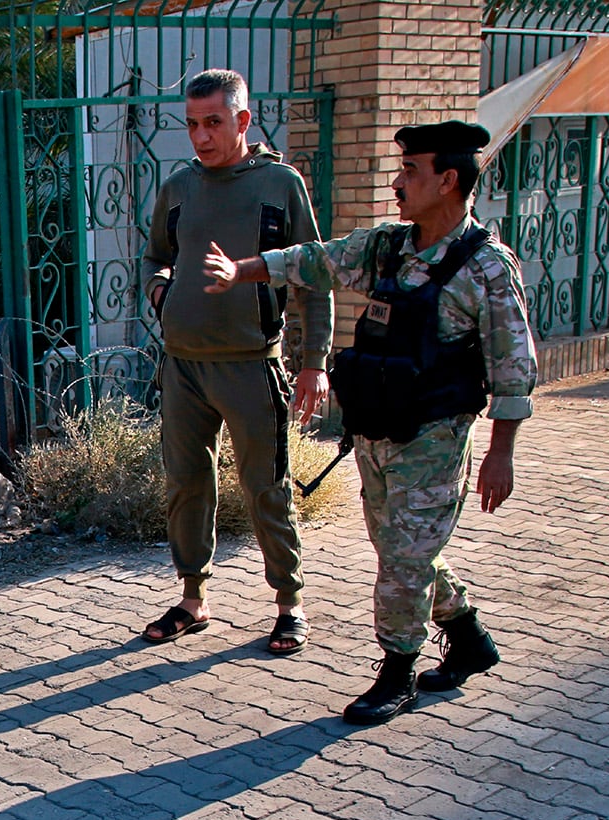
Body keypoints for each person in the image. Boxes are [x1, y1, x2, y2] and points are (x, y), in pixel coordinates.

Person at [201, 119, 537, 724]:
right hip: (377, 431)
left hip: (434, 435)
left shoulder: (484, 267)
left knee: (404, 558)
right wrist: (242, 271)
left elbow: (514, 367)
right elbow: (314, 261)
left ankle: (397, 672)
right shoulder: (387, 246)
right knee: (402, 549)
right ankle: (466, 636)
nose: (398, 182)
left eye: (411, 170)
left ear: (449, 179)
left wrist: (500, 452)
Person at [140, 69, 332, 656]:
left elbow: (314, 274)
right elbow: (155, 257)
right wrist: (162, 292)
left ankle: (288, 604)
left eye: (214, 123)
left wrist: (314, 362)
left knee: (264, 487)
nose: (201, 137)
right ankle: (193, 599)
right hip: (183, 367)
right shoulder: (178, 187)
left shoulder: (279, 184)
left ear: (243, 120)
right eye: (193, 124)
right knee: (186, 484)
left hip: (251, 364)